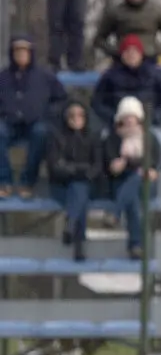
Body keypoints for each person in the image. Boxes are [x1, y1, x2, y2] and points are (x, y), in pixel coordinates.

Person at [0, 35, 67, 199]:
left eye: (24, 50)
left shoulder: (45, 75)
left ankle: (27, 183)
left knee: (41, 132)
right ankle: (4, 182)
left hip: (36, 122)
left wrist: (47, 113)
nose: (21, 54)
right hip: (10, 123)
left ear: (31, 52)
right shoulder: (3, 77)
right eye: (17, 50)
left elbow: (62, 99)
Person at [91, 35, 161, 160]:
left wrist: (151, 118)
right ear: (122, 54)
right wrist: (115, 118)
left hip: (148, 125)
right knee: (103, 146)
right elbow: (97, 102)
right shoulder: (110, 76)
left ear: (141, 53)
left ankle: (151, 175)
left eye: (135, 51)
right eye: (127, 51)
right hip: (117, 126)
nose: (131, 55)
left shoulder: (156, 74)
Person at [103, 97, 161, 260]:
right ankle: (136, 246)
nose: (130, 121)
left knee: (137, 179)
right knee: (133, 201)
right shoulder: (113, 138)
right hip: (122, 182)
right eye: (126, 117)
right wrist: (116, 166)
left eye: (133, 117)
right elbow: (109, 163)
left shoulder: (149, 137)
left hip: (146, 181)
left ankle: (115, 214)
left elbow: (154, 161)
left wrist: (131, 162)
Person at [47, 100, 103, 261]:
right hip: (61, 186)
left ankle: (71, 224)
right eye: (72, 115)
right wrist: (80, 170)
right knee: (79, 196)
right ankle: (79, 243)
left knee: (80, 190)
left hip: (87, 183)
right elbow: (55, 166)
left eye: (80, 115)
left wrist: (76, 170)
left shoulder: (93, 137)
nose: (76, 118)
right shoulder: (56, 136)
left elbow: (97, 166)